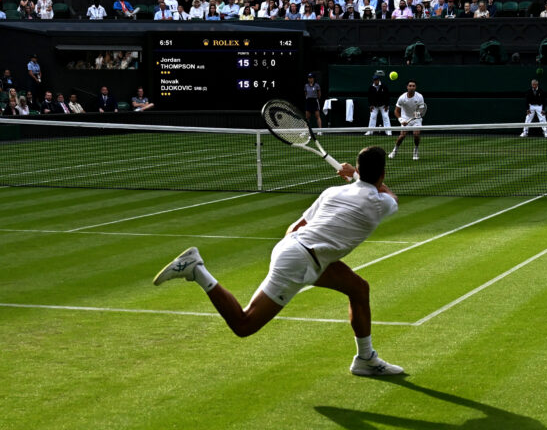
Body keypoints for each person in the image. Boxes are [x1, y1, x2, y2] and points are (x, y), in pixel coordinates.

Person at [153, 146, 404, 377]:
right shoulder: (380, 203)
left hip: (292, 246)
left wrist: (356, 177)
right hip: (302, 259)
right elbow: (389, 194)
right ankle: (197, 270)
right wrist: (360, 178)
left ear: (358, 169)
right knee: (244, 324)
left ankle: (365, 359)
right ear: (382, 173)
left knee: (358, 289)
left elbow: (294, 227)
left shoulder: (331, 192)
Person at [389, 80, 425, 160]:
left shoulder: (419, 97)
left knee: (416, 134)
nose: (411, 87)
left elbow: (422, 109)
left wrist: (418, 113)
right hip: (405, 117)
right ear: (407, 87)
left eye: (413, 86)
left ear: (415, 87)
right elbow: (396, 111)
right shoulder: (402, 98)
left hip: (416, 119)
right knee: (402, 136)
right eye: (410, 86)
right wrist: (401, 120)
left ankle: (415, 150)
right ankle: (395, 150)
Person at [364, 71, 392, 136]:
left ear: (378, 80)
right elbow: (369, 97)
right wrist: (370, 105)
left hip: (383, 105)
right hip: (374, 106)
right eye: (374, 80)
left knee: (385, 117)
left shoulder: (384, 86)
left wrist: (387, 105)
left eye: (376, 80)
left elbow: (387, 96)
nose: (375, 81)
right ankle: (370, 132)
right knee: (372, 117)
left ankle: (388, 132)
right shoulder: (371, 87)